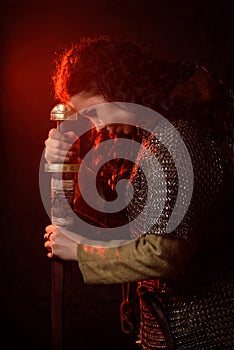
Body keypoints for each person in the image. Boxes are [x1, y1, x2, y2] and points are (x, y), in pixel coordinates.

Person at [43, 35, 234, 349]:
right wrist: (71, 157)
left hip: (204, 326)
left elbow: (166, 253)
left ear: (121, 90)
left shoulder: (177, 137)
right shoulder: (153, 128)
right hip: (178, 322)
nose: (95, 126)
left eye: (93, 112)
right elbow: (123, 216)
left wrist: (80, 250)